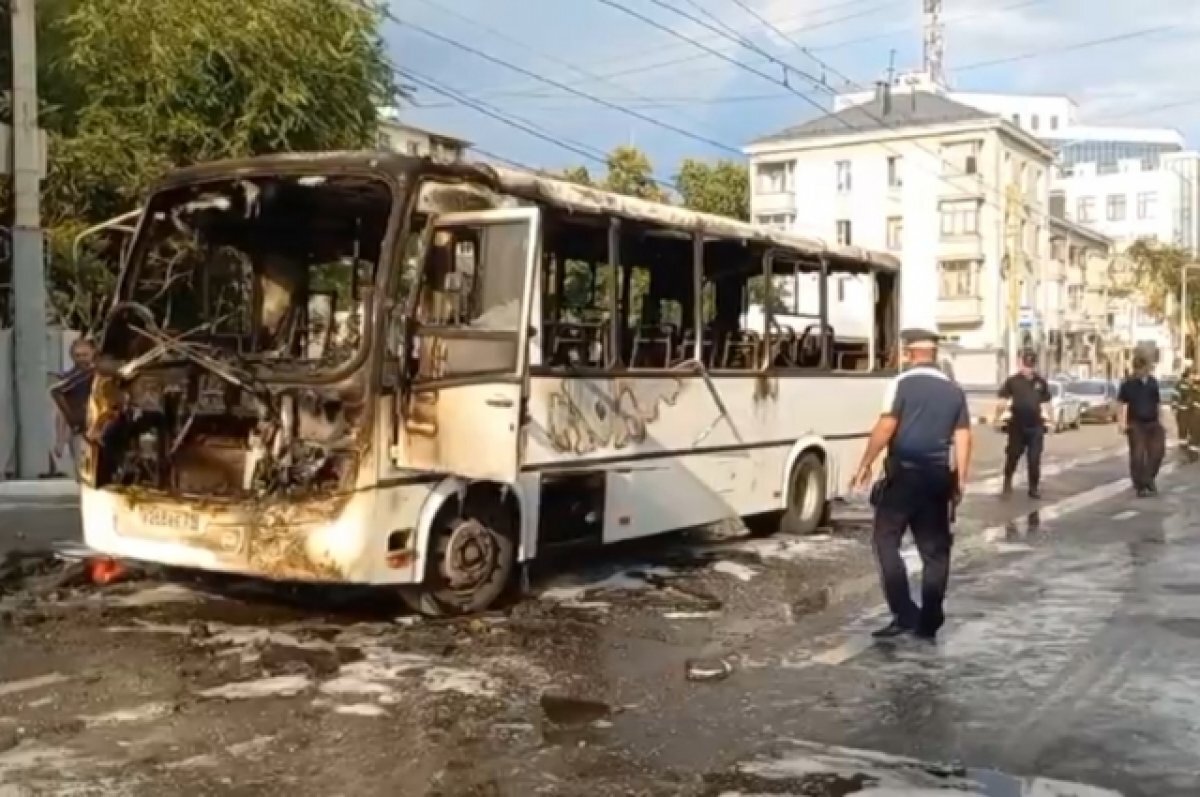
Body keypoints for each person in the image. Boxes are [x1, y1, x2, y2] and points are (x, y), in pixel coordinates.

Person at [851, 328, 973, 642]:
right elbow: (963, 437)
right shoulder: (954, 391)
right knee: (935, 552)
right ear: (934, 355)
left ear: (908, 354)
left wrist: (865, 462)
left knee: (886, 541)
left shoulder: (900, 384)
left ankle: (904, 613)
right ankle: (930, 619)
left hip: (903, 477)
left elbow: (887, 425)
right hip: (936, 477)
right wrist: (959, 481)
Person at [995, 350, 1051, 499]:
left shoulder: (1040, 382)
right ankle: (1007, 481)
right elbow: (1002, 401)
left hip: (1035, 427)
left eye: (1031, 365)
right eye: (1026, 365)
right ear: (1020, 364)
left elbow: (1045, 403)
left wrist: (1049, 419)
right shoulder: (1013, 381)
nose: (1028, 368)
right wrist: (997, 418)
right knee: (1013, 455)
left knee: (1034, 459)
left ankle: (1033, 488)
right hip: (1017, 425)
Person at [1118, 354, 1166, 497]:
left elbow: (1158, 403)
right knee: (1137, 455)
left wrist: (1161, 422)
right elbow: (1121, 404)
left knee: (1158, 452)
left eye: (1143, 369)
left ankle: (1149, 478)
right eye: (1137, 369)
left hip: (1153, 422)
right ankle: (1140, 484)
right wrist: (1121, 423)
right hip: (1136, 423)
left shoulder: (1153, 382)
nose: (1140, 372)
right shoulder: (1128, 384)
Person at [52, 337, 97, 470]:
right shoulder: (69, 379)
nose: (82, 359)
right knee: (81, 466)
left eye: (85, 355)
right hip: (80, 427)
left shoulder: (98, 374)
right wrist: (61, 440)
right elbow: (61, 412)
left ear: (93, 353)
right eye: (78, 355)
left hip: (98, 425)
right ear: (72, 356)